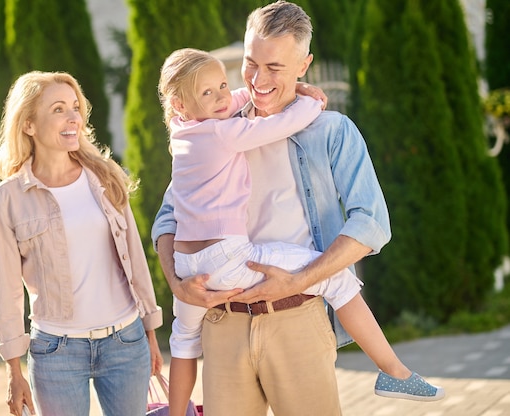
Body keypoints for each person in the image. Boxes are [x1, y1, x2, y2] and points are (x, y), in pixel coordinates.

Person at [152, 2, 443, 415]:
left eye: (275, 67)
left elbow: (371, 223)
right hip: (223, 322)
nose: (258, 79)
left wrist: (298, 280)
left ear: (304, 65)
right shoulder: (215, 127)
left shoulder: (331, 130)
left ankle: (391, 370)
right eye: (251, 64)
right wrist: (177, 283)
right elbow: (168, 219)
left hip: (297, 317)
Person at [0, 70, 163, 416]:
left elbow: (135, 260)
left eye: (75, 107)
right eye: (58, 110)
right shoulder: (6, 199)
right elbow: (5, 289)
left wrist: (150, 332)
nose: (73, 118)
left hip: (125, 341)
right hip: (56, 352)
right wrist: (12, 367)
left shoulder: (105, 176)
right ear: (28, 125)